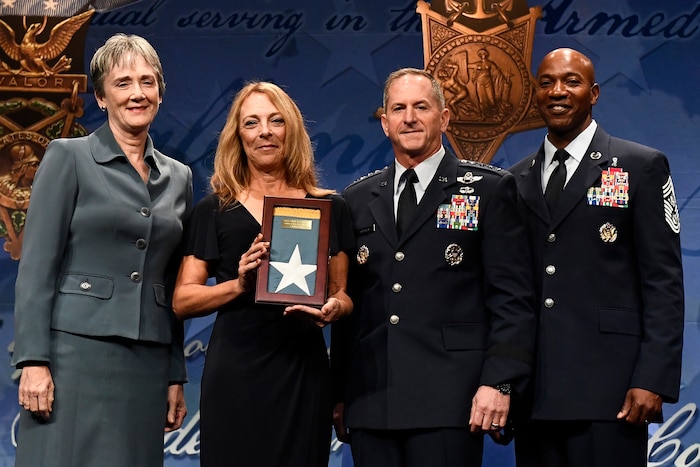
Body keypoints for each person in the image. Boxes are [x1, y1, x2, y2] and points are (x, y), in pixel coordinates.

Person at [331, 67, 535, 467]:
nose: (409, 117)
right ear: (385, 122)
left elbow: (513, 299)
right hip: (373, 401)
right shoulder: (355, 199)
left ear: (443, 118)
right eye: (399, 108)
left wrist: (499, 380)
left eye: (421, 107)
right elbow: (348, 307)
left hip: (450, 402)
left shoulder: (488, 190)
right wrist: (339, 392)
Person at [12, 33, 192, 466]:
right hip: (72, 356)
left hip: (146, 362)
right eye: (123, 83)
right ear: (101, 96)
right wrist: (33, 361)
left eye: (148, 82)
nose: (137, 93)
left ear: (160, 94)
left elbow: (170, 284)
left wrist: (174, 373)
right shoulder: (68, 157)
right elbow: (37, 266)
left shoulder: (180, 177)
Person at [508, 48, 684, 467]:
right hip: (535, 393)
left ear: (594, 93)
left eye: (571, 81)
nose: (558, 91)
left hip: (613, 390)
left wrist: (652, 378)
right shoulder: (514, 179)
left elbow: (663, 283)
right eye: (547, 81)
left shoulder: (640, 166)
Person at [171, 81, 354, 467]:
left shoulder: (330, 207)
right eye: (252, 123)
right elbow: (183, 300)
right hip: (236, 370)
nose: (265, 131)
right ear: (239, 135)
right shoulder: (214, 210)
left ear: (292, 130)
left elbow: (343, 293)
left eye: (275, 121)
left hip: (302, 370)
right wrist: (239, 285)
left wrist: (334, 308)